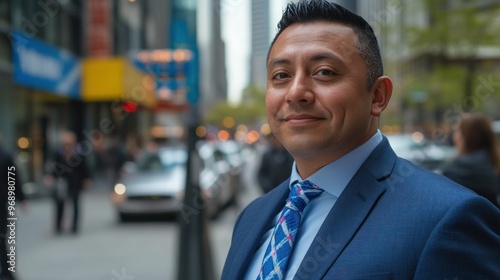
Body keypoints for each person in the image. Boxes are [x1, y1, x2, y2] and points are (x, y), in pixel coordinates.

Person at [221, 1, 500, 279]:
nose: (296, 93)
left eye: (324, 72)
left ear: (378, 96)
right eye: (281, 76)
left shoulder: (447, 217)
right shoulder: (252, 218)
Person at [440, 113, 500, 207]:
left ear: (468, 136)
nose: (454, 137)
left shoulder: (460, 168)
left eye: (457, 131)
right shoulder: (492, 162)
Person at [46, 131, 91, 235]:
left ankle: (74, 227)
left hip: (75, 182)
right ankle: (58, 227)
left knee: (75, 203)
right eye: (65, 143)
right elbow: (54, 166)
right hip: (61, 182)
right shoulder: (58, 152)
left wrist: (86, 179)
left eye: (69, 143)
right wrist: (51, 176)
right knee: (59, 204)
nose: (67, 146)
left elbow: (84, 167)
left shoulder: (78, 153)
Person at [0, 136, 26, 280]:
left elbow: (13, 178)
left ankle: (7, 271)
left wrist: (21, 198)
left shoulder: (5, 156)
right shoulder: (5, 156)